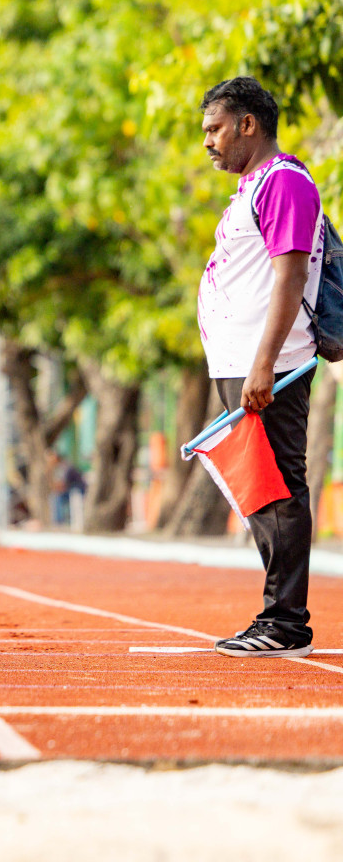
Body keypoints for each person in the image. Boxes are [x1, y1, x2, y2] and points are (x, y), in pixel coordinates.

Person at [197, 76, 323, 658]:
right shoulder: (254, 188)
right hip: (242, 363)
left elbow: (290, 274)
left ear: (248, 124)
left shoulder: (285, 183)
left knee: (277, 491)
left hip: (269, 367)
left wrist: (263, 364)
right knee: (260, 494)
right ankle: (278, 618)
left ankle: (286, 623)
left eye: (215, 129)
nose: (208, 142)